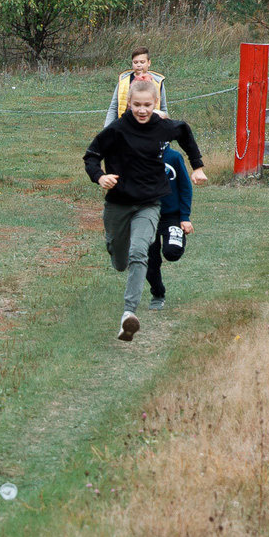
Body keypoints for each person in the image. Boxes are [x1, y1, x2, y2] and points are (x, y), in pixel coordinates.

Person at [82, 78, 204, 341]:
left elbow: (184, 131)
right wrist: (100, 177)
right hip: (118, 204)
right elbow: (91, 156)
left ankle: (128, 314)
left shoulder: (161, 126)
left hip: (149, 204)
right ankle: (117, 251)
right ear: (129, 103)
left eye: (147, 105)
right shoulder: (116, 130)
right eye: (137, 105)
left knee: (140, 252)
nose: (142, 110)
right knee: (119, 260)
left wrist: (197, 166)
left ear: (155, 103)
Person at [146, 142, 194, 310]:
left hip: (171, 215)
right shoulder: (139, 155)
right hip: (147, 216)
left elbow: (185, 187)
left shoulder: (174, 157)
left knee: (172, 252)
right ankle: (158, 294)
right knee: (150, 259)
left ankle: (175, 240)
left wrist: (185, 217)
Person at [107, 47, 167, 122]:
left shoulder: (158, 82)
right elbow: (113, 107)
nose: (139, 65)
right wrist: (107, 127)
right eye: (135, 62)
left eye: (142, 62)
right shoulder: (123, 81)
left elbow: (163, 108)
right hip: (127, 123)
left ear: (149, 63)